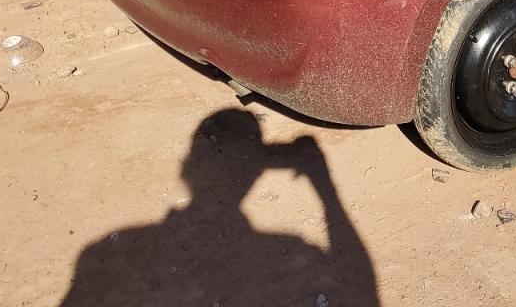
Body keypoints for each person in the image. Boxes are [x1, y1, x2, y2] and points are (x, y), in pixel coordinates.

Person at [59, 109, 378, 306]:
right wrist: (324, 187)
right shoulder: (293, 251)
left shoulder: (110, 251)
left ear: (186, 170)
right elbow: (363, 294)